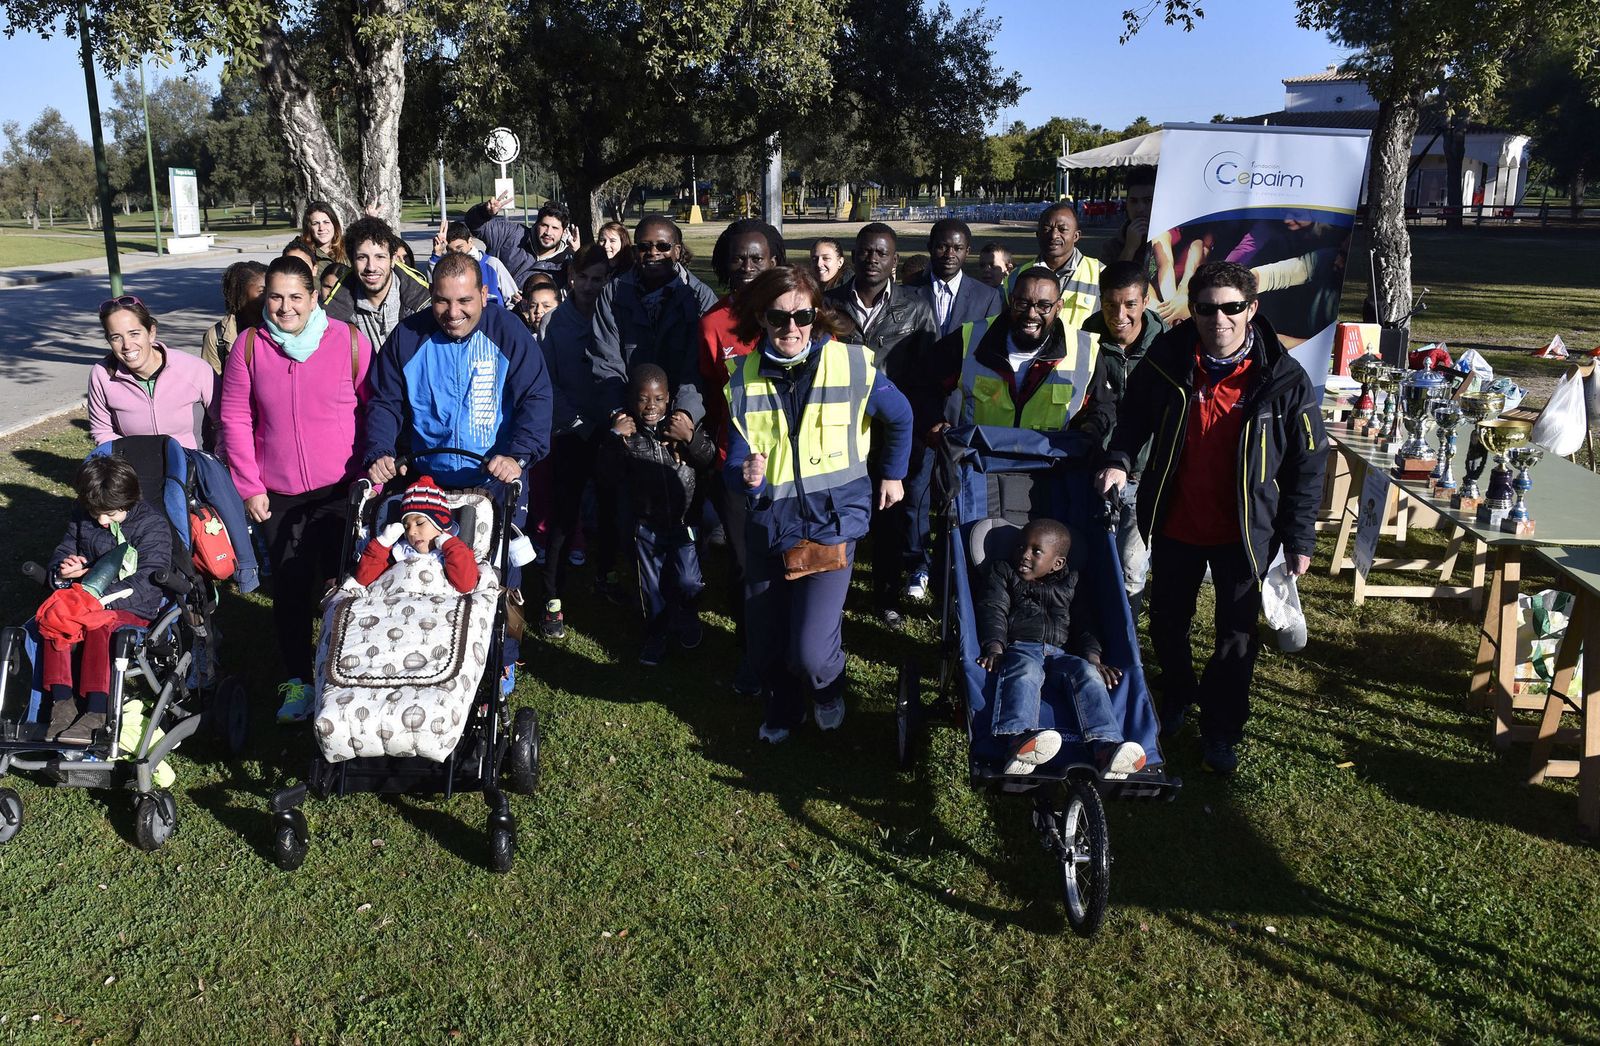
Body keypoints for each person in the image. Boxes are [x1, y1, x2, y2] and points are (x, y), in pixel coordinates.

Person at [1095, 261, 1328, 774]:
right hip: (1176, 522)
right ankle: (1177, 694)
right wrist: (1118, 459)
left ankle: (1221, 729)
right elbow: (1133, 418)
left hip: (1246, 533)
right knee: (1166, 624)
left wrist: (1300, 535)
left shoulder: (1284, 378)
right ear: (1191, 312)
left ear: (1252, 310)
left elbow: (1309, 464)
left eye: (1231, 308)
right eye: (1205, 308)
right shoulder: (1167, 358)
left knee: (1236, 637)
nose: (1218, 319)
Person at [724, 266, 913, 742]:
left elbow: (902, 416)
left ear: (817, 314)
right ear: (761, 320)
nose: (792, 328)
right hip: (769, 526)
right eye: (778, 317)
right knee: (764, 648)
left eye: (802, 316)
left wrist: (892, 473)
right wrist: (747, 478)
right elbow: (735, 457)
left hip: (831, 525)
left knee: (810, 653)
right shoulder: (742, 378)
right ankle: (785, 710)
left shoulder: (852, 363)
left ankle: (827, 690)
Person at [362, 252, 553, 666]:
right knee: (425, 572)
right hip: (428, 482)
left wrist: (518, 454)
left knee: (502, 577)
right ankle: (428, 655)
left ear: (484, 294)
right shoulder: (409, 337)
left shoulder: (509, 334)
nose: (453, 312)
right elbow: (385, 400)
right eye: (442, 301)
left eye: (465, 301)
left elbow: (535, 397)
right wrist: (381, 451)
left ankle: (504, 657)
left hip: (493, 478)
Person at [220, 256, 375, 722]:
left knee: (343, 585)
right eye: (275, 297)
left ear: (314, 298)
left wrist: (368, 479)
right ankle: (297, 681)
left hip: (341, 490)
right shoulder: (248, 346)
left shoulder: (348, 341)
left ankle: (347, 673)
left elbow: (373, 412)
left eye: (295, 297)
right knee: (289, 589)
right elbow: (234, 418)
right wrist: (249, 486)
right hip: (277, 493)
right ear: (263, 298)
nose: (285, 308)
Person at [824, 223, 938, 628]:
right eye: (865, 251)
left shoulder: (918, 306)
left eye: (881, 253)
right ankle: (831, 593)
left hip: (894, 433)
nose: (872, 258)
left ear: (894, 261)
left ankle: (886, 594)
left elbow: (929, 376)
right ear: (853, 256)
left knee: (890, 518)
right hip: (841, 430)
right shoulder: (829, 303)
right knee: (838, 516)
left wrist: (920, 430)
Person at [976, 518, 1146, 776]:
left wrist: (1093, 658)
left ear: (1057, 563)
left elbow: (1085, 624)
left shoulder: (1073, 584)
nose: (1024, 555)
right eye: (1021, 546)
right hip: (1021, 647)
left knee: (1087, 675)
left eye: (1036, 551)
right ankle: (1017, 738)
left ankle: (1105, 747)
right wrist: (995, 647)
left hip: (1062, 653)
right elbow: (994, 609)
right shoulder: (1003, 571)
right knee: (1025, 672)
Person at [697, 219, 783, 691]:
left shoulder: (797, 316)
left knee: (789, 559)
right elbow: (713, 392)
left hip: (795, 462)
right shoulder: (713, 324)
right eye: (739, 259)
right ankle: (752, 653)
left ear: (774, 261)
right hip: (737, 461)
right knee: (746, 564)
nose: (748, 267)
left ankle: (792, 650)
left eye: (758, 258)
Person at [39, 456, 173, 743]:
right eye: (95, 512)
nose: (101, 520)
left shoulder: (152, 526)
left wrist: (100, 599)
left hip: (132, 603)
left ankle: (97, 709)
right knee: (55, 616)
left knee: (98, 623)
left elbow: (149, 579)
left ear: (129, 502)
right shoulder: (83, 515)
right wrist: (64, 570)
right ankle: (61, 704)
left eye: (110, 514)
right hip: (86, 596)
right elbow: (64, 548)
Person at [916, 268, 1114, 445]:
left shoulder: (1085, 350)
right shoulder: (969, 338)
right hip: (981, 464)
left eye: (1044, 306)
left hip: (1050, 469)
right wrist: (933, 422)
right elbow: (922, 383)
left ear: (1059, 307)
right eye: (1022, 303)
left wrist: (1091, 430)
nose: (1031, 313)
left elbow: (1103, 406)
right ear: (1011, 300)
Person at [601, 364, 716, 666]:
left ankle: (688, 616)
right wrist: (615, 437)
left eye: (658, 399)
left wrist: (690, 439)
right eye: (642, 399)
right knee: (651, 588)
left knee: (690, 580)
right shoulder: (627, 434)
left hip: (684, 521)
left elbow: (708, 461)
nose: (650, 407)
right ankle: (656, 633)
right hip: (646, 526)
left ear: (669, 399)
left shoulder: (680, 427)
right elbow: (606, 475)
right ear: (630, 399)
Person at [531, 245, 610, 638]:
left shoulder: (614, 317)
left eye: (600, 279)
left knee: (614, 514)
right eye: (585, 278)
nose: (591, 287)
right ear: (571, 278)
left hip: (612, 428)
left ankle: (608, 579)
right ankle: (552, 599)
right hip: (571, 431)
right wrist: (579, 424)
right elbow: (548, 384)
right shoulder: (554, 323)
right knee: (562, 520)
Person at [1081, 261, 1167, 615]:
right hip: (1096, 467)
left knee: (1133, 560)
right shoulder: (1084, 340)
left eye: (1130, 304)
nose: (1120, 315)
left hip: (1147, 471)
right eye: (1111, 304)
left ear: (1145, 301)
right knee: (1091, 553)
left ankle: (1126, 626)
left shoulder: (1168, 347)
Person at [88, 296, 218, 452]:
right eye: (116, 337)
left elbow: (224, 422)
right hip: (137, 469)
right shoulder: (101, 375)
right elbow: (103, 432)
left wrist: (219, 462)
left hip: (194, 465)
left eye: (134, 333)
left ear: (151, 333)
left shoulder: (195, 368)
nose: (127, 345)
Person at [352, 475, 478, 594]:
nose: (411, 532)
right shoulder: (399, 553)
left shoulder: (457, 552)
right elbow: (364, 579)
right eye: (406, 527)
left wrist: (451, 546)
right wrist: (382, 543)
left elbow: (466, 584)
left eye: (420, 523)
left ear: (440, 523)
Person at [323, 217, 432, 353]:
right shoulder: (334, 314)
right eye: (362, 257)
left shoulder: (424, 303)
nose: (371, 267)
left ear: (393, 260)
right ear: (351, 261)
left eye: (380, 257)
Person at [1010, 202, 1102, 330]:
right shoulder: (1015, 277)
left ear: (1076, 236)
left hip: (1079, 350)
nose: (1053, 235)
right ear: (1037, 235)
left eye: (1062, 229)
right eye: (1047, 229)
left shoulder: (1100, 274)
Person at [465, 194, 576, 291]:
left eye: (555, 228)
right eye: (544, 225)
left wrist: (577, 255)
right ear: (536, 224)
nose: (548, 232)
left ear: (564, 231)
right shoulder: (512, 234)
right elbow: (474, 226)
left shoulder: (565, 264)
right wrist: (484, 212)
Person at [915, 218, 1003, 339]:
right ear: (930, 248)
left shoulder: (987, 297)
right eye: (942, 247)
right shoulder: (907, 292)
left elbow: (992, 344)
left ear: (967, 251)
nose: (950, 255)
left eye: (958, 248)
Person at [430, 219, 516, 306]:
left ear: (470, 242)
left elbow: (513, 298)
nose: (456, 253)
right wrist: (437, 253)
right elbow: (434, 290)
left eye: (459, 247)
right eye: (450, 250)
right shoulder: (447, 267)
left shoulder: (492, 264)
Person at [201, 261, 266, 374]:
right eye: (262, 291)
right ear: (239, 295)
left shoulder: (284, 325)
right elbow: (211, 384)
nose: (271, 295)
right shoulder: (217, 337)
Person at [1098, 168, 1156, 269]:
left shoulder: (1174, 238)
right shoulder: (1112, 247)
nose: (1140, 208)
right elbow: (1109, 283)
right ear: (1127, 204)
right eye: (1133, 201)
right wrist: (1129, 248)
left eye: (1148, 201)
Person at [298, 201, 346, 280]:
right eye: (316, 223)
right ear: (309, 228)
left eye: (326, 222)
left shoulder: (349, 248)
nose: (321, 228)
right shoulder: (303, 254)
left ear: (334, 225)